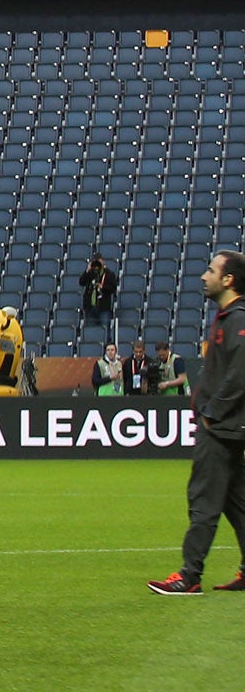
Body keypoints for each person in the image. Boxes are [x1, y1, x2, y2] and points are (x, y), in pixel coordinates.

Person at [149, 251, 245, 595]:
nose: (204, 276)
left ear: (228, 279)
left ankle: (190, 576)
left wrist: (211, 412)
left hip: (220, 427)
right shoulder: (229, 316)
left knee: (203, 499)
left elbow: (240, 373)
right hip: (229, 426)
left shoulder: (237, 319)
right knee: (237, 501)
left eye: (211, 270)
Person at [80, 255, 119, 329]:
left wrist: (103, 287)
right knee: (91, 332)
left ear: (103, 261)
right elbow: (81, 282)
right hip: (90, 308)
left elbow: (113, 289)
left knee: (104, 330)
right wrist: (87, 270)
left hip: (103, 308)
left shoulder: (109, 274)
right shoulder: (91, 273)